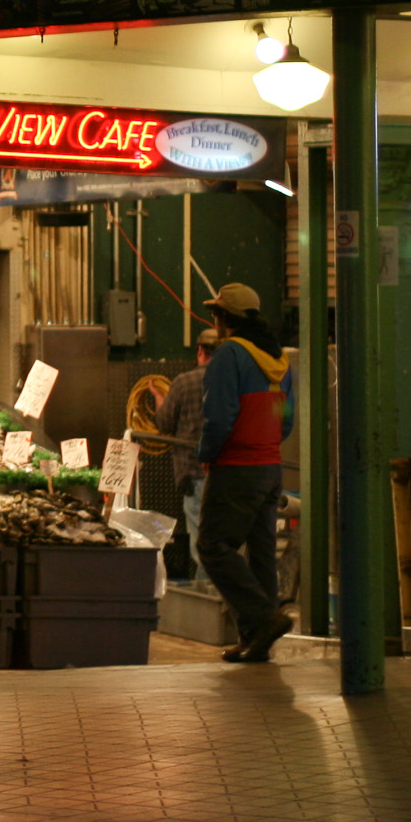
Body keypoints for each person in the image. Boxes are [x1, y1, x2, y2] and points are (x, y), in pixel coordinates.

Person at [195, 283, 295, 664]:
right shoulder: (279, 361)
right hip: (271, 467)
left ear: (225, 319)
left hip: (236, 466)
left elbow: (218, 416)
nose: (213, 319)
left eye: (216, 313)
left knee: (213, 547)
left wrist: (208, 453)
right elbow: (285, 421)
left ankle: (264, 618)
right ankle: (256, 641)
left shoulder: (229, 355)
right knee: (261, 555)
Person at [153, 330, 217, 582]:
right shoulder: (234, 381)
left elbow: (165, 423)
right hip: (230, 474)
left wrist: (159, 397)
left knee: (202, 548)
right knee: (221, 545)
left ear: (200, 351)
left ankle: (209, 608)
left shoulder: (183, 382)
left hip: (194, 473)